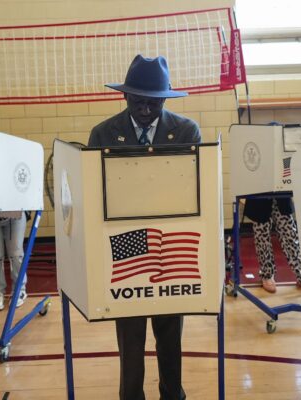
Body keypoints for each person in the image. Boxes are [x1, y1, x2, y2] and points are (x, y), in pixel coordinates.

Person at [88, 55, 200, 400]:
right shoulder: (103, 133)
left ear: (165, 99)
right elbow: (93, 198)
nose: (146, 110)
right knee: (131, 340)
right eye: (139, 101)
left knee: (170, 339)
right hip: (125, 247)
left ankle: (172, 394)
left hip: (171, 245)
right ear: (124, 96)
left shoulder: (185, 131)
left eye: (154, 102)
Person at [244, 197, 301, 294]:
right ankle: (267, 275)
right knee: (262, 237)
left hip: (280, 195)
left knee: (290, 236)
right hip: (259, 195)